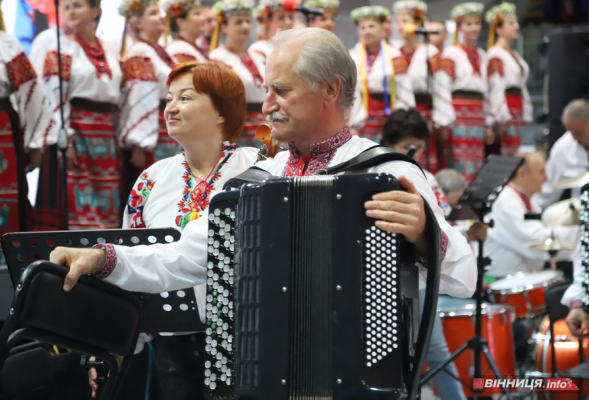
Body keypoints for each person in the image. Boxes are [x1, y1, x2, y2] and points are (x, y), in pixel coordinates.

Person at [50, 28, 476, 312]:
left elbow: (465, 279)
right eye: (267, 89)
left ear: (330, 90)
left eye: (281, 90)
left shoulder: (387, 171)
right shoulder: (259, 179)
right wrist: (102, 258)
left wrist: (425, 234)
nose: (267, 104)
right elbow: (182, 256)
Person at [88, 61, 260, 400]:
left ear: (221, 112)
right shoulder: (151, 180)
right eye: (168, 99)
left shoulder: (257, 169)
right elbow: (132, 262)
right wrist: (114, 346)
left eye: (185, 97)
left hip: (248, 341)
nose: (171, 107)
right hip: (172, 347)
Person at [381, 109, 466, 400]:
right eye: (407, 147)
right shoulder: (376, 171)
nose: (414, 152)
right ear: (388, 142)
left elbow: (443, 227)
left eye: (418, 145)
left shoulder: (425, 177)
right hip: (382, 279)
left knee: (436, 349)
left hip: (418, 276)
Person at [32, 0, 123, 230]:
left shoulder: (109, 47)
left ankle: (105, 253)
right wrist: (66, 138)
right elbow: (52, 95)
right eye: (66, 6)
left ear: (96, 10)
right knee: (74, 195)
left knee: (106, 196)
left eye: (78, 5)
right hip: (75, 129)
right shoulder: (59, 46)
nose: (70, 11)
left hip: (104, 131)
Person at [0, 0, 55, 265]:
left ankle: (3, 266)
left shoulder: (5, 45)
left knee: (7, 203)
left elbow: (30, 91)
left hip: (2, 133)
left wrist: (35, 143)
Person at [118, 0, 180, 212]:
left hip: (166, 127)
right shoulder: (141, 51)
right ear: (138, 22)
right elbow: (140, 97)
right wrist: (140, 143)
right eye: (153, 13)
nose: (161, 17)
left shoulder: (160, 51)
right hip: (154, 132)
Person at [484, 152, 578, 279]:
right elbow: (534, 240)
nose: (546, 178)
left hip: (523, 277)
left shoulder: (527, 198)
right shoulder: (504, 201)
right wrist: (581, 233)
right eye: (541, 172)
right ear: (522, 173)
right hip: (500, 280)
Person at [433, 2, 490, 182]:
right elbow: (442, 86)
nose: (474, 28)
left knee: (477, 160)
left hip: (478, 113)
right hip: (458, 112)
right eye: (469, 24)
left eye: (477, 23)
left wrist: (488, 121)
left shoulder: (483, 55)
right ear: (460, 27)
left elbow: (488, 91)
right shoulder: (451, 53)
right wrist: (444, 120)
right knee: (458, 158)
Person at [349, 6, 415, 143]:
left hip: (388, 116)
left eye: (372, 26)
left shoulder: (395, 55)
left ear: (382, 28)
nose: (367, 31)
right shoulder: (352, 56)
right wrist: (350, 122)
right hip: (360, 115)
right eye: (363, 27)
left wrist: (402, 120)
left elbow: (404, 89)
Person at [393, 1, 443, 174]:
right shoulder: (393, 52)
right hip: (399, 111)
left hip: (424, 110)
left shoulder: (429, 51)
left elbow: (440, 86)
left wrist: (441, 116)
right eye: (398, 22)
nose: (400, 26)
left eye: (405, 21)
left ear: (418, 24)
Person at [209, 0, 266, 147]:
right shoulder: (218, 57)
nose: (245, 26)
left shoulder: (259, 56)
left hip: (266, 124)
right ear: (224, 27)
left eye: (248, 21)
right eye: (239, 22)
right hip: (239, 124)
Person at [485, 2, 532, 157]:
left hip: (517, 106)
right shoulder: (495, 54)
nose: (516, 26)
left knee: (515, 151)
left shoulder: (513, 54)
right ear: (498, 29)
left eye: (516, 22)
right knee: (506, 152)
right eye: (511, 23)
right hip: (507, 107)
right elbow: (495, 88)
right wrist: (499, 117)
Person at [537, 99, 589, 209]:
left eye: (579, 133)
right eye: (571, 133)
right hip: (580, 215)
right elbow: (548, 191)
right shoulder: (563, 147)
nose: (574, 138)